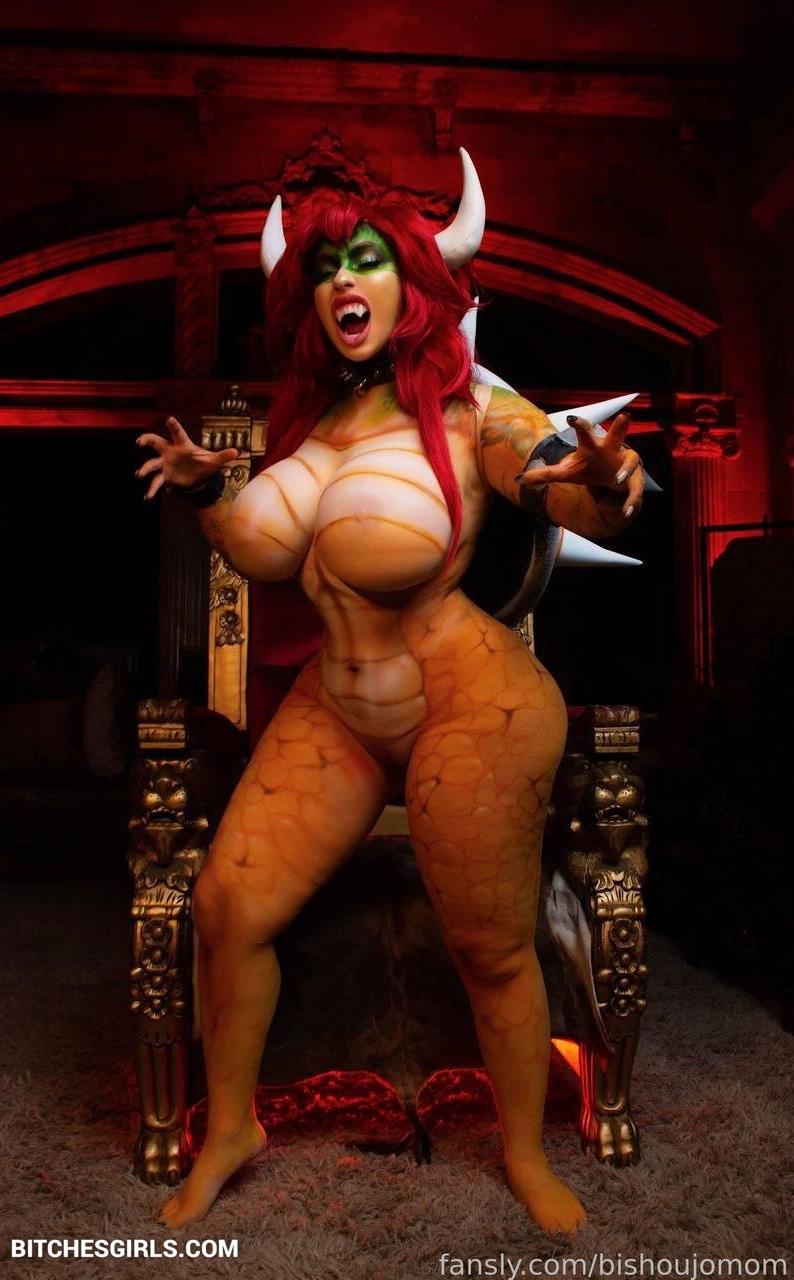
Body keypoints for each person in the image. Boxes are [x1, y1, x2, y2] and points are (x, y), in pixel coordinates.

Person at [135, 153, 643, 1234]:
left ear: (412, 284)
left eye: (366, 261)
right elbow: (259, 549)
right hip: (340, 703)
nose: (343, 282)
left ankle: (523, 1152)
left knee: (488, 948)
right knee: (226, 908)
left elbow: (567, 487)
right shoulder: (313, 421)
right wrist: (207, 494)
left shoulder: (470, 405)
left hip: (471, 701)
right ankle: (231, 1129)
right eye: (325, 268)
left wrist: (607, 479)